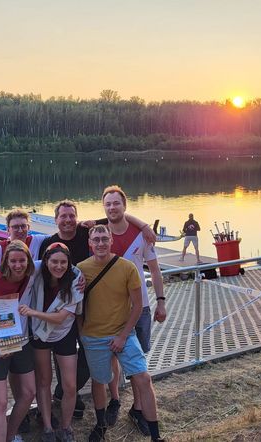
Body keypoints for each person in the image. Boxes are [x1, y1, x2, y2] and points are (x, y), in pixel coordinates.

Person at [38, 200, 157, 420]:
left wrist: (144, 226)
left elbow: (118, 216)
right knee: (64, 361)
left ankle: (89, 397)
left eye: (71, 215)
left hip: (89, 310)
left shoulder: (86, 232)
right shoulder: (49, 243)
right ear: (56, 220)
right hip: (61, 312)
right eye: (63, 216)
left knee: (88, 363)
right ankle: (67, 399)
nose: (67, 220)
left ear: (76, 217)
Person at [78, 225, 164, 442]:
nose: (100, 243)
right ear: (90, 243)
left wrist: (123, 336)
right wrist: (82, 333)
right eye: (96, 239)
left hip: (123, 333)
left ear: (111, 241)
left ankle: (156, 436)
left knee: (143, 378)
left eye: (104, 239)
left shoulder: (127, 268)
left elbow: (137, 306)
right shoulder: (80, 269)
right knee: (99, 381)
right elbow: (76, 304)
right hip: (93, 336)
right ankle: (101, 425)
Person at [101, 185, 167, 434]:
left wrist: (161, 301)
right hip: (110, 311)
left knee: (139, 362)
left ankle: (138, 408)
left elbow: (155, 270)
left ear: (124, 206)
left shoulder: (142, 236)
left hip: (141, 308)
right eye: (108, 204)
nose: (112, 207)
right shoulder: (100, 235)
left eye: (116, 203)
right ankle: (115, 399)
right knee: (111, 359)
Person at [19, 243, 85, 442]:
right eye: (54, 261)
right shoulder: (37, 273)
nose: (58, 266)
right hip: (40, 334)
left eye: (63, 262)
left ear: (69, 262)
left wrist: (32, 312)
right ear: (46, 261)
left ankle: (66, 427)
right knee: (44, 381)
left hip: (64, 333)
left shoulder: (75, 279)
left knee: (70, 385)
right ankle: (47, 426)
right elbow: (18, 264)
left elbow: (60, 318)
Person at [0, 240, 38, 442]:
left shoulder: (31, 274)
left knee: (29, 392)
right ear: (6, 262)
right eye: (13, 261)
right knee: (1, 401)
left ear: (28, 260)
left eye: (21, 260)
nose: (17, 265)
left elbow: (60, 264)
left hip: (20, 340)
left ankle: (9, 435)